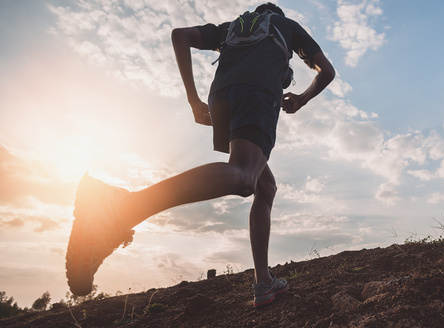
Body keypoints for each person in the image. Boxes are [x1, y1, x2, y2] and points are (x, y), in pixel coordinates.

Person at [65, 3, 335, 307]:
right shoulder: (287, 26)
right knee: (245, 177)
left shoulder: (233, 26)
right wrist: (301, 98)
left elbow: (180, 35)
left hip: (220, 97)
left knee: (265, 185)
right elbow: (327, 71)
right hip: (258, 95)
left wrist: (193, 100)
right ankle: (123, 208)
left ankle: (263, 282)